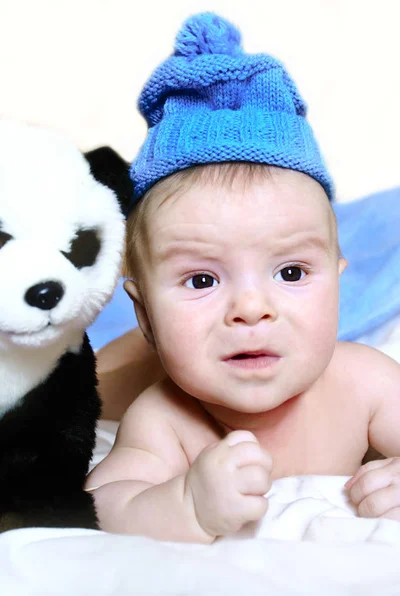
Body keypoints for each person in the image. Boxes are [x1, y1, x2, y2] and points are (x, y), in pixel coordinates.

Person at [86, 12, 400, 542]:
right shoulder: (163, 420)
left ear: (338, 284)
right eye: (202, 281)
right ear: (144, 313)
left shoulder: (366, 383)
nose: (252, 307)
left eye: (292, 271)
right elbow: (101, 506)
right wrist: (185, 504)